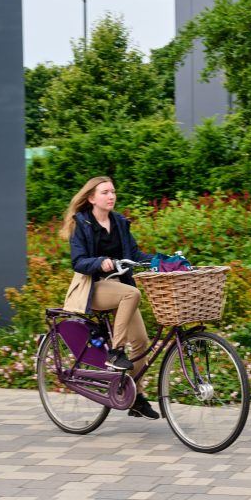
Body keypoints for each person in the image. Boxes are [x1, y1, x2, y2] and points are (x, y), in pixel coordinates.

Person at [60, 176, 160, 420]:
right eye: (105, 192)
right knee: (132, 292)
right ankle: (115, 352)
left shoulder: (119, 222)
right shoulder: (82, 223)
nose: (111, 196)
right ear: (92, 198)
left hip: (120, 289)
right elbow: (78, 261)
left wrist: (161, 260)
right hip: (94, 287)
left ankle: (134, 396)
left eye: (113, 191)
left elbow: (134, 254)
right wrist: (100, 262)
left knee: (141, 342)